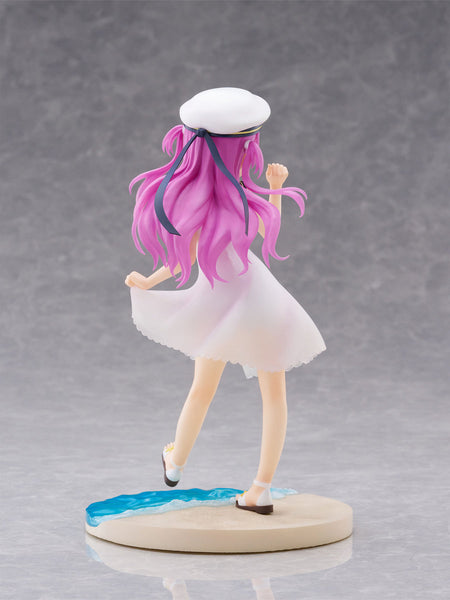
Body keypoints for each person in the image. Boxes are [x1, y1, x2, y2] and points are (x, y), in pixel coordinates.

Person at [125, 88, 326, 514]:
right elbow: (265, 226)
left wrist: (148, 279)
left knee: (202, 389)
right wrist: (275, 188)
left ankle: (176, 462)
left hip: (221, 309)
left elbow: (182, 260)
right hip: (264, 303)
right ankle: (260, 490)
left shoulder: (199, 206)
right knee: (274, 397)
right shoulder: (241, 200)